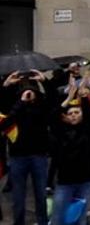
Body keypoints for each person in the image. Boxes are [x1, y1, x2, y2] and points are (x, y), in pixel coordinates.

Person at [0, 70, 53, 225]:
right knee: (18, 197)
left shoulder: (42, 104)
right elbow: (5, 119)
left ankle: (42, 222)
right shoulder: (15, 104)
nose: (29, 93)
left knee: (40, 195)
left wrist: (45, 81)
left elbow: (54, 101)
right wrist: (6, 86)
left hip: (39, 155)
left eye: (31, 90)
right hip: (18, 156)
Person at [51, 76, 90, 225]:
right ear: (65, 117)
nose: (73, 115)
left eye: (77, 113)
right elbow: (52, 117)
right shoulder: (61, 131)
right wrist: (68, 98)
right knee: (58, 216)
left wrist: (84, 98)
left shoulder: (88, 130)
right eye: (70, 113)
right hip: (65, 181)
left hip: (86, 180)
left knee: (80, 217)